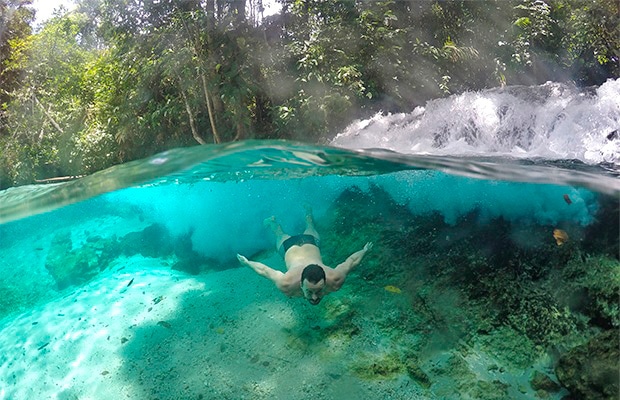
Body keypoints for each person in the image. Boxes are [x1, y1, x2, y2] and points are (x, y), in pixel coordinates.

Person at [237, 209, 373, 305]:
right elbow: (264, 271)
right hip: (300, 244)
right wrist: (247, 263)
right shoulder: (287, 284)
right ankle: (298, 213)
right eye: (309, 292)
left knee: (281, 233)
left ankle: (279, 219)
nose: (314, 297)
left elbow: (351, 262)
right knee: (296, 228)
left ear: (325, 282)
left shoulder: (334, 279)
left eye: (319, 291)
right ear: (301, 284)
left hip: (300, 244)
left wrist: (365, 250)